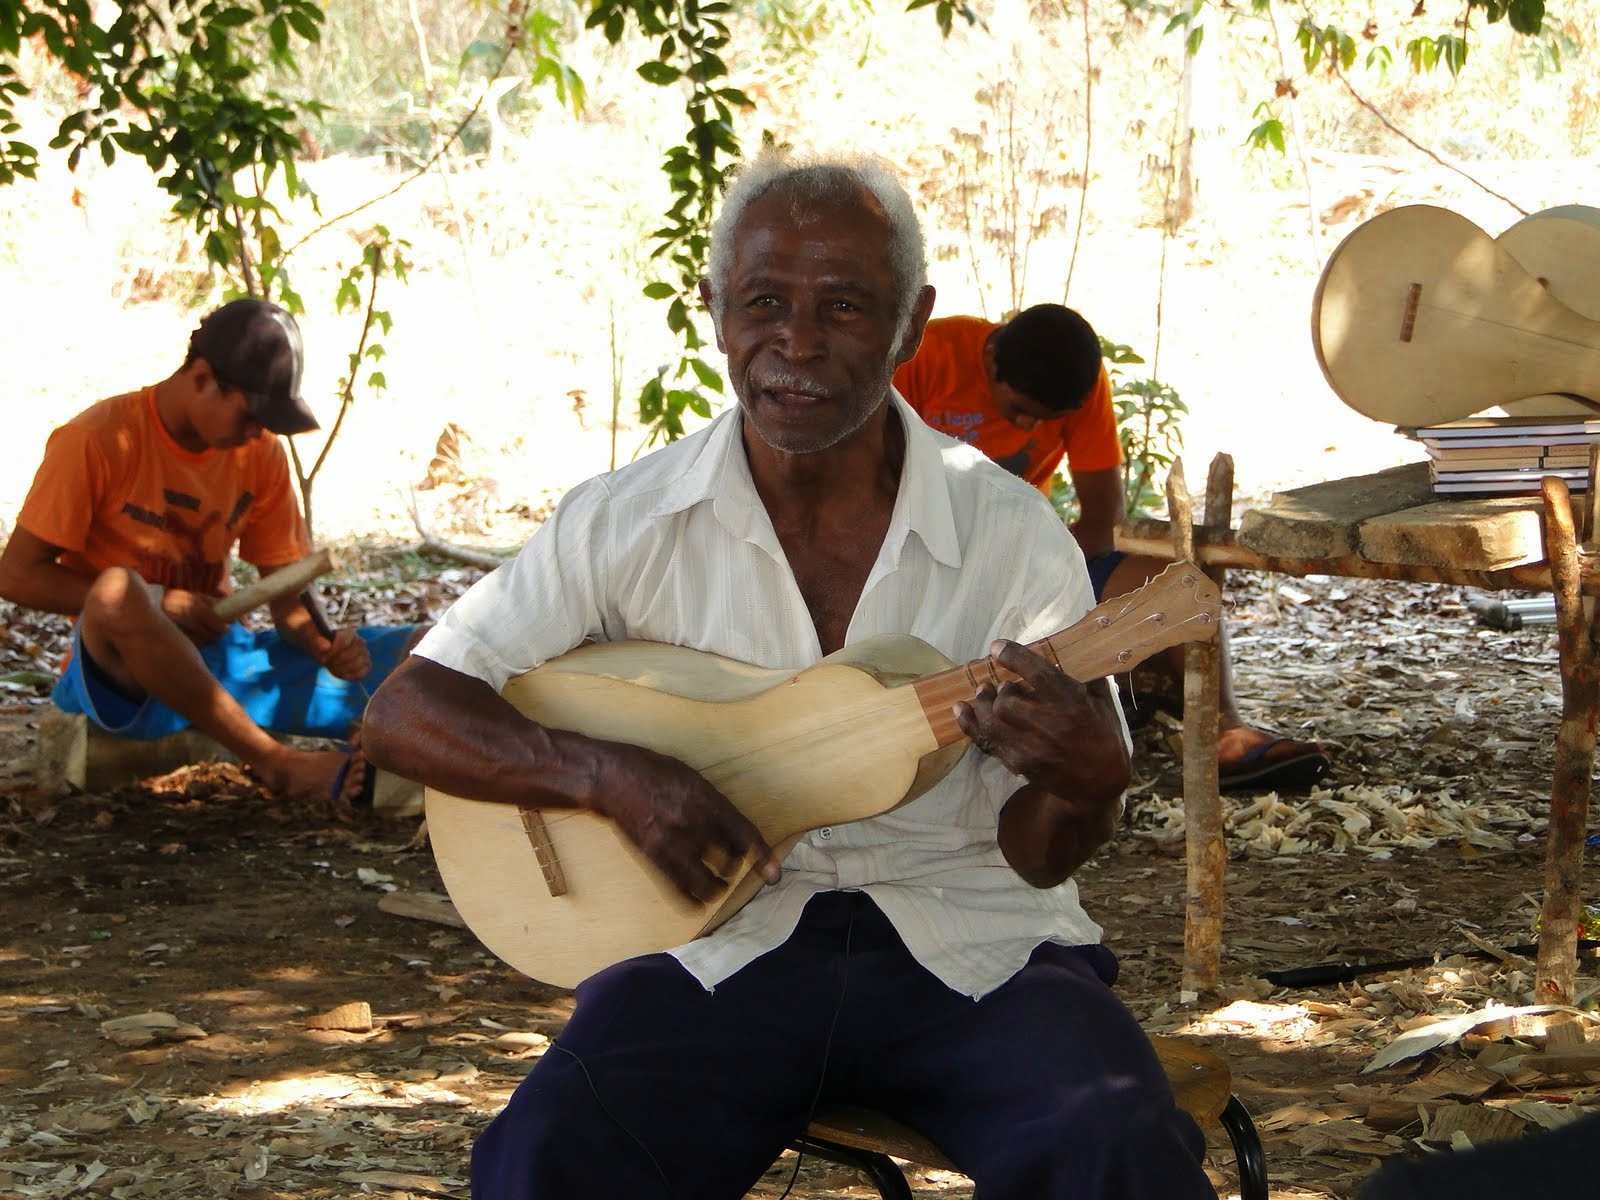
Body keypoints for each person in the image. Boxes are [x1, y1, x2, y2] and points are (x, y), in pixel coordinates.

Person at [362, 149, 1217, 1199]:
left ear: (912, 324)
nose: (797, 343)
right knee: (549, 1159)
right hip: (716, 950)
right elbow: (404, 714)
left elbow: (1036, 860)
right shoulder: (625, 521)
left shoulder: (1009, 533)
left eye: (844, 307)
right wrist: (606, 777)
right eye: (763, 301)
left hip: (975, 946)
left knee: (1119, 1152)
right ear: (716, 310)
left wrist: (1086, 785)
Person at [0, 298, 422, 802]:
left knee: (424, 649)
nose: (258, 432)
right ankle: (279, 765)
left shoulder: (258, 453)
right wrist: (159, 601)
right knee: (119, 591)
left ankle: (445, 753)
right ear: (202, 378)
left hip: (225, 667)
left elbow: (288, 599)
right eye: (251, 415)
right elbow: (15, 575)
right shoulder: (97, 439)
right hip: (123, 677)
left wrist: (324, 643)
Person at [894, 305, 1331, 790]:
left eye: (1048, 420)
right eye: (1019, 410)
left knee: (1177, 587)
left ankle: (1224, 730)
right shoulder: (926, 356)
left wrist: (1037, 575)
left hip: (1022, 555)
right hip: (922, 554)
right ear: (991, 357)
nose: (1030, 428)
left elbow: (1102, 522)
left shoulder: (1080, 382)